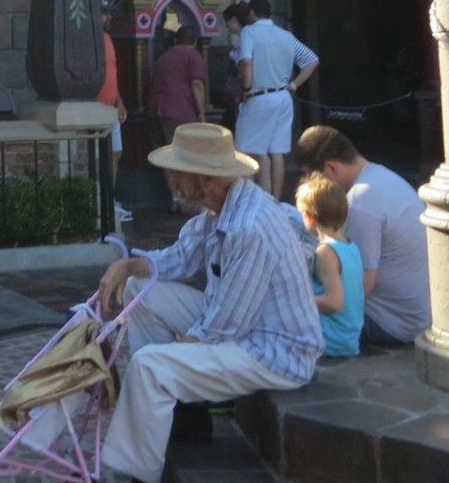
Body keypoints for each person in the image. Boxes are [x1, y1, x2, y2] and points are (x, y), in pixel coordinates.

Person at [95, 123, 322, 483]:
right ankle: (181, 414)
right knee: (141, 289)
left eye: (178, 170)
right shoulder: (220, 208)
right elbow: (180, 259)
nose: (171, 178)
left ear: (208, 177)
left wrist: (182, 349)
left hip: (276, 350)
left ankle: (138, 474)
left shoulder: (249, 227)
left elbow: (226, 323)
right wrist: (128, 266)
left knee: (149, 366)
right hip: (245, 326)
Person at [293, 125, 431, 346]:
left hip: (390, 323)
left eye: (312, 176)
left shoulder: (359, 205)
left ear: (331, 168)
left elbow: (360, 288)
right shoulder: (382, 176)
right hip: (416, 315)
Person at [232, 0, 318, 201]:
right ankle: (274, 200)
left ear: (252, 12)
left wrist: (246, 88)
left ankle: (246, 199)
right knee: (277, 151)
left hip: (259, 96)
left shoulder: (249, 32)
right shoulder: (286, 35)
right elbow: (312, 60)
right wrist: (294, 84)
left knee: (244, 150)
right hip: (283, 96)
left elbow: (246, 62)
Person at [296, 173, 365, 358]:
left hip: (331, 340)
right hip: (349, 339)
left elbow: (335, 303)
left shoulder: (326, 252)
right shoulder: (351, 246)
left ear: (310, 218)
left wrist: (299, 300)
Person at [98, 24, 133, 225]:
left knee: (115, 152)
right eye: (104, 13)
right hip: (96, 107)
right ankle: (103, 200)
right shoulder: (90, 38)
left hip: (111, 106)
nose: (108, 17)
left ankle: (109, 197)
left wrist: (119, 101)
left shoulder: (108, 38)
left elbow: (112, 75)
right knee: (101, 155)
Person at [152, 25, 210, 144]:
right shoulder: (193, 55)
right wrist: (201, 113)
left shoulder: (163, 56)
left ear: (176, 40)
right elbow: (197, 84)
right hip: (179, 111)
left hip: (156, 110)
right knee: (181, 150)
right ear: (195, 42)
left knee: (163, 152)